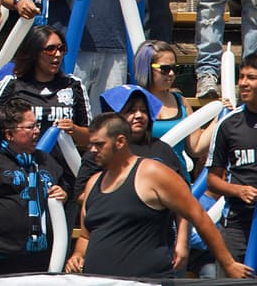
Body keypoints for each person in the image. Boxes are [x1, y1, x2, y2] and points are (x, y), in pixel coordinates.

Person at [67, 112, 251, 278]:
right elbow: (85, 236)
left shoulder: (152, 173)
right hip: (99, 281)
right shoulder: (92, 184)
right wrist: (77, 255)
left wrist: (228, 263)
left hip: (147, 281)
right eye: (91, 144)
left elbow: (199, 216)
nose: (92, 150)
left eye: (99, 145)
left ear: (120, 142)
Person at [0, 97, 67, 275]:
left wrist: (62, 193)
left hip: (40, 259)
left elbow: (64, 190)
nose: (37, 131)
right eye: (30, 127)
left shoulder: (45, 160)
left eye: (37, 126)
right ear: (9, 134)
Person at [0, 24, 91, 149]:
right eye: (51, 49)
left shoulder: (73, 85)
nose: (58, 54)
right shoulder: (11, 84)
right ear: (34, 53)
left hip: (61, 165)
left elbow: (90, 137)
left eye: (61, 48)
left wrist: (74, 130)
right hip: (18, 165)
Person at [206, 52, 257, 265]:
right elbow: (212, 180)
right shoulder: (228, 124)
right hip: (237, 224)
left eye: (251, 78)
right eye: (241, 77)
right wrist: (239, 190)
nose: (243, 83)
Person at [134, 41, 211, 164]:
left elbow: (196, 147)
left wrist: (221, 116)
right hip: (142, 178)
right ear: (146, 68)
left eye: (175, 69)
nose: (171, 74)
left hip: (177, 176)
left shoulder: (180, 101)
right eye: (165, 69)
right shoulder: (130, 101)